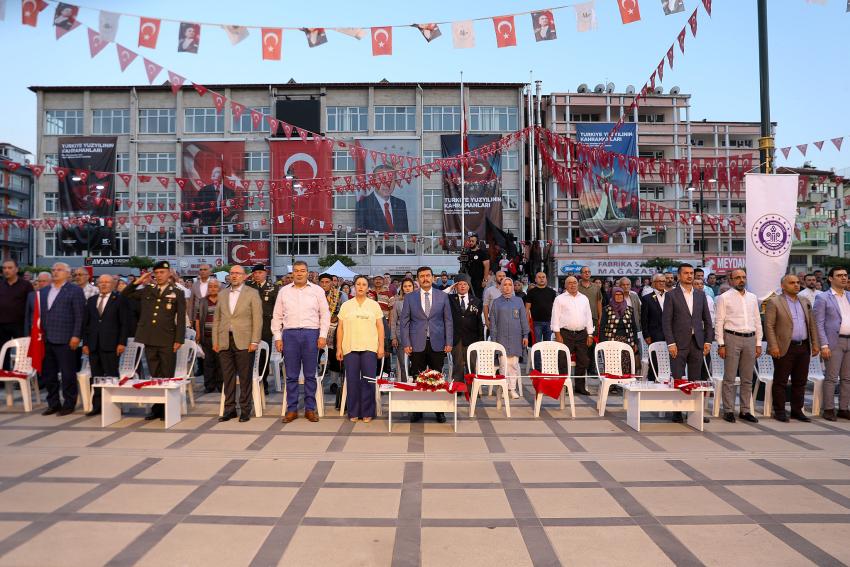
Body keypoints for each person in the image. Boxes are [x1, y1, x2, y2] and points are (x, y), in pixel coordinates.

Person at [122, 260, 186, 421]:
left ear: (169, 273)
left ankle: (167, 408)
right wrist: (138, 281)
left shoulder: (177, 292)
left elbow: (181, 319)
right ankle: (157, 408)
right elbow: (125, 294)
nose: (159, 275)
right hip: (149, 337)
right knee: (155, 375)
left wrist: (179, 339)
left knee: (166, 375)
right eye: (156, 273)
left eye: (162, 272)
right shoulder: (147, 290)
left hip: (167, 338)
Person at [272, 261, 330, 424]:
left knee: (311, 374)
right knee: (291, 375)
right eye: (296, 271)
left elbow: (325, 314)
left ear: (308, 273)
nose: (299, 273)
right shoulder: (284, 291)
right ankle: (291, 409)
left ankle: (310, 409)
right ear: (292, 273)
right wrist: (277, 337)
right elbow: (277, 316)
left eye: (302, 271)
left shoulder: (317, 291)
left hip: (311, 333)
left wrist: (322, 335)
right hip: (289, 334)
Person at [400, 266, 453, 423]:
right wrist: (406, 343)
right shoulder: (410, 297)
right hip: (416, 344)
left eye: (428, 275)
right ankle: (417, 410)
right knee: (418, 378)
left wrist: (449, 341)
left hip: (438, 343)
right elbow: (404, 322)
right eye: (421, 276)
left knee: (438, 377)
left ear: (433, 277)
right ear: (418, 279)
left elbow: (448, 321)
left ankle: (439, 411)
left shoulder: (442, 296)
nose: (425, 278)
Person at [662, 263, 714, 423]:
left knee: (695, 379)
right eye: (686, 273)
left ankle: (695, 411)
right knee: (678, 377)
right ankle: (677, 411)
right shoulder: (671, 295)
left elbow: (707, 320)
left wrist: (708, 341)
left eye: (691, 273)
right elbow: (666, 321)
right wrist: (670, 343)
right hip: (678, 343)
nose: (690, 276)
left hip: (697, 342)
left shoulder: (700, 294)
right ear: (679, 276)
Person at [765, 274, 819, 422]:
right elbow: (769, 326)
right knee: (781, 381)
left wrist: (815, 343)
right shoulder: (774, 302)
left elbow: (811, 324)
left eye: (797, 282)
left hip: (803, 347)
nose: (796, 285)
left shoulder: (805, 301)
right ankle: (780, 410)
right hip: (784, 347)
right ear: (783, 286)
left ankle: (797, 410)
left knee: (800, 381)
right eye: (792, 283)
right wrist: (773, 346)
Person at [213, 266, 262, 423]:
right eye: (232, 273)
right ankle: (229, 409)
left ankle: (245, 409)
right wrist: (216, 341)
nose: (234, 276)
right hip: (225, 340)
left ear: (244, 277)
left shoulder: (252, 294)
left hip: (245, 341)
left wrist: (255, 340)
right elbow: (217, 320)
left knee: (245, 377)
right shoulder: (222, 294)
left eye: (237, 273)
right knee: (227, 377)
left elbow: (257, 319)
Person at [715, 268, 762, 424]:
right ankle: (728, 410)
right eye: (737, 278)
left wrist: (758, 343)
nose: (741, 280)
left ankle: (745, 410)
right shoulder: (724, 298)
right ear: (731, 280)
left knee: (747, 378)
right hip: (731, 338)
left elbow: (757, 320)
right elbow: (719, 322)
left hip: (750, 338)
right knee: (729, 378)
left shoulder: (753, 297)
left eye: (743, 277)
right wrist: (721, 344)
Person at [39, 262, 85, 416]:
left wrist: (76, 335)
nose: (55, 272)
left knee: (67, 374)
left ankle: (69, 403)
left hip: (66, 338)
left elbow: (80, 315)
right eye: (53, 270)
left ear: (67, 273)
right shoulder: (44, 291)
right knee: (49, 374)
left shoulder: (75, 290)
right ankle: (53, 403)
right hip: (46, 338)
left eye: (59, 270)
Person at [336, 275, 384, 422]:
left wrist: (381, 346)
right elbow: (340, 328)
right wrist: (339, 348)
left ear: (368, 288)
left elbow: (380, 326)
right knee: (352, 380)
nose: (361, 286)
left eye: (364, 284)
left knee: (368, 380)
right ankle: (354, 412)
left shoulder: (374, 305)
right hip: (350, 347)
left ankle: (368, 412)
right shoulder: (346, 305)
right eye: (358, 284)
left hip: (369, 347)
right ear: (354, 287)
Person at [81, 274, 130, 416]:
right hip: (93, 345)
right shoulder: (91, 301)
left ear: (113, 284)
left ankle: (114, 406)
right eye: (100, 282)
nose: (103, 284)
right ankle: (97, 406)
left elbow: (124, 324)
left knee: (111, 376)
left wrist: (122, 342)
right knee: (96, 377)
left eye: (107, 282)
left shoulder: (120, 300)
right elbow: (86, 324)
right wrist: (85, 343)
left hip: (111, 344)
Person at [813, 266, 850, 421]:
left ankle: (843, 408)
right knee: (831, 377)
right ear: (830, 278)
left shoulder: (849, 295)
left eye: (845, 275)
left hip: (849, 340)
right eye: (839, 275)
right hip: (834, 342)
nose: (843, 278)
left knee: (847, 378)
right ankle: (828, 408)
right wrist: (824, 345)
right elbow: (818, 323)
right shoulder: (823, 297)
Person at [551, 276, 594, 395]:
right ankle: (563, 385)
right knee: (562, 360)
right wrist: (557, 335)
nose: (572, 285)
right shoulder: (559, 299)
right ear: (565, 285)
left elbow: (588, 316)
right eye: (569, 283)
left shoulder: (584, 298)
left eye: (574, 282)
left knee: (583, 360)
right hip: (565, 334)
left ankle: (579, 387)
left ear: (577, 284)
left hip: (582, 334)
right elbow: (555, 317)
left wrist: (590, 334)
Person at [488, 278, 529, 399]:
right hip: (501, 338)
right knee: (503, 364)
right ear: (501, 287)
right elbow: (493, 322)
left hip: (516, 337)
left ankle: (512, 388)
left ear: (512, 287)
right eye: (504, 285)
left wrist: (525, 335)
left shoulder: (519, 301)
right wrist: (494, 339)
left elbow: (523, 319)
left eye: (509, 285)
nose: (507, 287)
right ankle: (503, 387)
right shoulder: (496, 302)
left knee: (514, 364)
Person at [245, 263, 280, 394]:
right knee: (249, 355)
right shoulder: (248, 287)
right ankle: (250, 381)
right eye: (255, 273)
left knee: (264, 354)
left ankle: (262, 381)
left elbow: (278, 309)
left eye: (260, 272)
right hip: (249, 325)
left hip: (266, 325)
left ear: (265, 273)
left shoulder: (273, 288)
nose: (257, 275)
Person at [449, 274, 483, 382]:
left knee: (471, 364)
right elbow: (438, 296)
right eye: (460, 284)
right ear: (455, 286)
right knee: (457, 364)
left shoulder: (477, 301)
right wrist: (449, 289)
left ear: (468, 286)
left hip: (472, 338)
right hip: (456, 338)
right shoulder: (449, 299)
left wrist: (480, 341)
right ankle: (458, 389)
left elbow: (479, 322)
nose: (463, 286)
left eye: (465, 284)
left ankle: (471, 389)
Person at [0, 259, 32, 368]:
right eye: (4, 268)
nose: (6, 270)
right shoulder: (0, 284)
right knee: (2, 352)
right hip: (2, 325)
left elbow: (31, 305)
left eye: (9, 268)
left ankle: (21, 377)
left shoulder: (26, 285)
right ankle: (3, 380)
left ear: (16, 269)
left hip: (20, 324)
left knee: (22, 352)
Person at [600, 287, 639, 375]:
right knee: (612, 364)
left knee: (626, 363)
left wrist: (635, 343)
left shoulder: (629, 310)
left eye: (620, 294)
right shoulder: (607, 309)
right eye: (616, 295)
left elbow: (634, 327)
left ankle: (625, 384)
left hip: (627, 341)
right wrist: (603, 343)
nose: (619, 296)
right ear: (613, 296)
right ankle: (613, 385)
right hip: (611, 341)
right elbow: (602, 327)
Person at [195, 278, 223, 393]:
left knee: (220, 362)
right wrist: (198, 334)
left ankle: (221, 385)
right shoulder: (202, 301)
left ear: (219, 288)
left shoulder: (224, 301)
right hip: (206, 336)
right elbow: (197, 319)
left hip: (220, 337)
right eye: (210, 286)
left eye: (215, 287)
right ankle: (209, 386)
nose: (212, 289)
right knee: (208, 362)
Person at [641, 273, 667, 382]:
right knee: (655, 360)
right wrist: (646, 335)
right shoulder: (647, 298)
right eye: (659, 281)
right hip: (655, 334)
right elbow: (644, 319)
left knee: (669, 360)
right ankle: (652, 381)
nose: (661, 283)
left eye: (663, 281)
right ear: (653, 283)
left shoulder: (671, 296)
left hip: (670, 334)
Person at [578, 266, 603, 377]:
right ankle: (582, 368)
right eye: (585, 272)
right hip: (580, 319)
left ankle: (591, 368)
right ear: (581, 274)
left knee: (592, 344)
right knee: (581, 344)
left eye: (589, 272)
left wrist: (600, 317)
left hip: (593, 319)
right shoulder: (576, 287)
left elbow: (599, 303)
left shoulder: (596, 287)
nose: (587, 274)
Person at [389, 277, 415, 382]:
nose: (407, 288)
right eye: (405, 286)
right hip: (400, 337)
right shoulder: (397, 303)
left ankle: (416, 386)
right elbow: (393, 322)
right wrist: (393, 337)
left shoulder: (419, 301)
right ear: (402, 288)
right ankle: (405, 386)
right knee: (403, 364)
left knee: (415, 364)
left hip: (416, 337)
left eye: (410, 286)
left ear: (413, 287)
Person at [525, 272, 557, 344]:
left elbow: (555, 309)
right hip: (535, 323)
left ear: (546, 279)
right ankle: (536, 356)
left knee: (547, 345)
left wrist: (555, 322)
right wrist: (526, 323)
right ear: (535, 279)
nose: (541, 279)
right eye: (539, 277)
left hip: (549, 322)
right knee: (536, 345)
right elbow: (527, 309)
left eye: (543, 277)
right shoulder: (531, 292)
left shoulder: (552, 292)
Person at [464, 234, 490, 300]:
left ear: (477, 242)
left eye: (473, 241)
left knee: (477, 298)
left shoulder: (482, 253)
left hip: (478, 281)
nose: (471, 243)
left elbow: (487, 266)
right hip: (468, 280)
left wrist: (485, 280)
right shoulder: (467, 253)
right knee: (468, 298)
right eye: (470, 241)